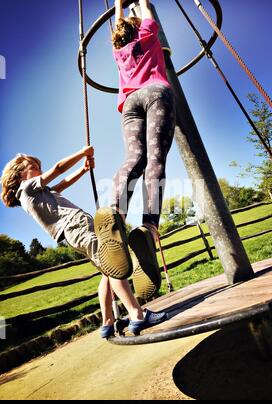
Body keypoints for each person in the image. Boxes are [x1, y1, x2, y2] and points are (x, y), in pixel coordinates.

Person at [0, 147, 167, 339]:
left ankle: (107, 322)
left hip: (74, 233)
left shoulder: (40, 193)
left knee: (107, 271)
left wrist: (83, 169)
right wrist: (82, 153)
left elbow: (62, 183)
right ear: (19, 174)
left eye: (39, 166)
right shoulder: (27, 189)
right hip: (77, 227)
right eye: (33, 166)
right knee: (114, 264)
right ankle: (137, 314)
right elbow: (58, 169)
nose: (39, 169)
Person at [95, 0, 176, 302]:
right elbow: (147, 12)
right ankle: (149, 227)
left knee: (134, 158)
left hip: (130, 104)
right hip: (156, 93)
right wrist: (140, 2)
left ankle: (115, 211)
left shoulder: (119, 50)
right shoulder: (149, 32)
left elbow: (119, 25)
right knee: (155, 159)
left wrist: (118, 6)